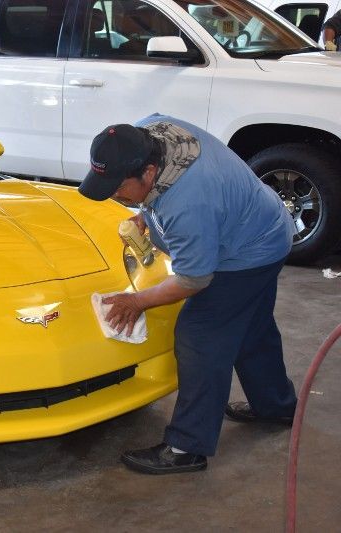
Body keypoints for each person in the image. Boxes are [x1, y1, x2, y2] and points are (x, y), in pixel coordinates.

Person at [78, 114, 297, 475]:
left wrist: (137, 301)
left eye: (119, 187)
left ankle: (186, 446)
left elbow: (194, 279)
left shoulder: (190, 201)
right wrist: (146, 215)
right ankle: (276, 406)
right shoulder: (152, 130)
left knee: (200, 336)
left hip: (246, 253)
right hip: (263, 225)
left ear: (148, 173)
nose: (115, 195)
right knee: (251, 328)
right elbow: (158, 198)